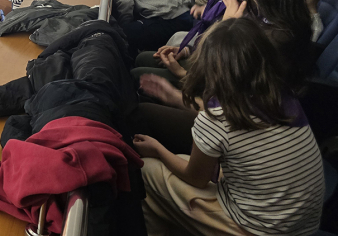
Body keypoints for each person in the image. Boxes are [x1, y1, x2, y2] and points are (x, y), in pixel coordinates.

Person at [133, 19, 324, 236]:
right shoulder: (282, 97)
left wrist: (157, 149)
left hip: (257, 229)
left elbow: (196, 177)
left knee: (147, 169)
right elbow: (233, 118)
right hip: (301, 225)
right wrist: (176, 99)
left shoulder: (214, 121)